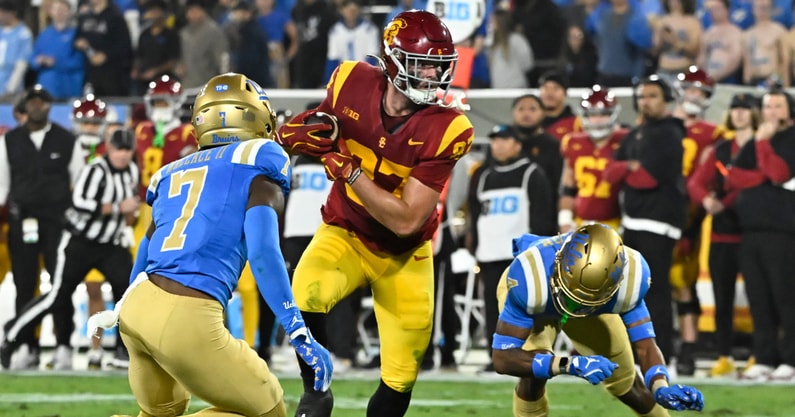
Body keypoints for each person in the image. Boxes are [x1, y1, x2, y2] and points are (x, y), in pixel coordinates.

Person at [91, 73, 333, 417]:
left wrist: (124, 312)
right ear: (258, 117)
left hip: (137, 309)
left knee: (161, 411)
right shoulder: (261, 159)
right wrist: (298, 331)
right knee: (269, 411)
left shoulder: (171, 172)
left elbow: (146, 250)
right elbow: (264, 252)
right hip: (187, 315)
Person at [276, 10, 473, 417]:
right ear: (392, 60)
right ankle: (316, 391)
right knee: (304, 293)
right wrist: (290, 134)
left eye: (439, 68)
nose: (432, 77)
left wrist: (349, 170)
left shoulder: (449, 127)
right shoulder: (351, 80)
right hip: (346, 230)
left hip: (405, 254)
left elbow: (405, 219)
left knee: (400, 376)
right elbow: (321, 127)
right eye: (422, 65)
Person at [492, 223, 705, 417]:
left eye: (586, 299)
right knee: (534, 372)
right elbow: (503, 357)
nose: (575, 306)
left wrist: (661, 387)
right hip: (541, 303)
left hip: (593, 309)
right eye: (572, 295)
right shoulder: (528, 279)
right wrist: (568, 364)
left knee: (627, 383)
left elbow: (646, 347)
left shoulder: (631, 280)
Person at [0, 128, 139, 371]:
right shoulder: (95, 170)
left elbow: (129, 210)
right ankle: (12, 334)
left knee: (128, 293)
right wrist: (118, 207)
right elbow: (81, 203)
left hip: (110, 245)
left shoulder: (131, 172)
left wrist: (126, 218)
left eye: (127, 150)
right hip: (79, 243)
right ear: (109, 148)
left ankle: (123, 350)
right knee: (57, 296)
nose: (123, 155)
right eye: (119, 150)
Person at [603, 75, 687, 364]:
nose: (645, 101)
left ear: (667, 101)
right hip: (634, 221)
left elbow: (646, 179)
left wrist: (628, 170)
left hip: (658, 222)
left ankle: (663, 351)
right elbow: (610, 173)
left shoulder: (670, 134)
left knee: (655, 290)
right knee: (632, 292)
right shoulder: (636, 133)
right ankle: (638, 353)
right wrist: (629, 166)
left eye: (652, 96)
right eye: (642, 96)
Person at [0, 86, 84, 370]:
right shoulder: (9, 141)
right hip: (22, 221)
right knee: (24, 285)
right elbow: (2, 187)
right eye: (33, 102)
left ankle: (63, 345)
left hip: (57, 223)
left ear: (49, 106)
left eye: (43, 102)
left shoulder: (66, 139)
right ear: (25, 106)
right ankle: (28, 345)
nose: (38, 106)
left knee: (61, 286)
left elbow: (80, 185)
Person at [467, 124, 556, 372]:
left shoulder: (531, 173)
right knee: (492, 307)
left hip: (520, 257)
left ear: (517, 145)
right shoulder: (483, 175)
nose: (499, 145)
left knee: (525, 309)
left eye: (505, 140)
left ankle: (527, 354)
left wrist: (539, 252)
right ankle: (496, 356)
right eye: (495, 140)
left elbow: (542, 214)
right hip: (489, 253)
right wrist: (474, 243)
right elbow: (476, 213)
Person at [686, 92, 759, 377]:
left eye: (746, 109)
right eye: (736, 108)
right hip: (722, 236)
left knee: (760, 300)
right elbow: (696, 182)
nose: (740, 114)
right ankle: (724, 355)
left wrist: (723, 201)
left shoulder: (762, 147)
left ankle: (760, 354)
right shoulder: (721, 149)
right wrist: (705, 200)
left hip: (753, 234)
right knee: (722, 299)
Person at [559, 85, 627, 233]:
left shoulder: (625, 140)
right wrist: (565, 220)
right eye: (592, 114)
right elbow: (567, 188)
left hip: (616, 222)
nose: (597, 120)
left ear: (613, 114)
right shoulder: (572, 142)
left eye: (603, 114)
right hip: (580, 223)